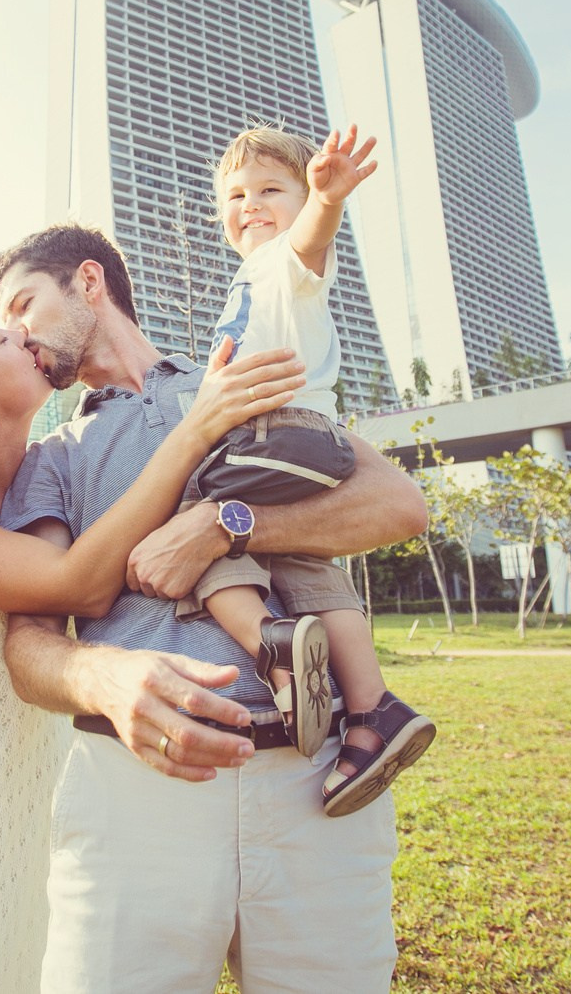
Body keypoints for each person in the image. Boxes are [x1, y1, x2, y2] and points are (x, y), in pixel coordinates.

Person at [0, 225, 430, 994]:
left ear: (89, 281)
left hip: (316, 781)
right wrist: (105, 681)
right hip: (135, 789)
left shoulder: (237, 376)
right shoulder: (50, 457)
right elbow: (27, 643)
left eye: (24, 303)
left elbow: (398, 502)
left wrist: (226, 525)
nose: (14, 333)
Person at [0, 305, 303, 994]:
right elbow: (80, 584)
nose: (23, 335)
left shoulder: (14, 492)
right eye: (1, 337)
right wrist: (196, 429)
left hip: (15, 832)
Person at [179, 123, 436, 814]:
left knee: (190, 523)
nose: (252, 205)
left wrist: (326, 199)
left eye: (271, 190)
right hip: (304, 442)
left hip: (279, 434)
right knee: (296, 554)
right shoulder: (250, 274)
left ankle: (273, 643)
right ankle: (373, 709)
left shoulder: (281, 262)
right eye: (236, 195)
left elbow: (311, 243)